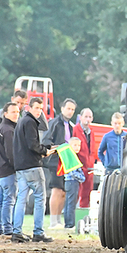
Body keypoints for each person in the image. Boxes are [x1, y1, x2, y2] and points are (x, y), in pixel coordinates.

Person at [12, 97, 55, 243]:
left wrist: (45, 149)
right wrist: (45, 151)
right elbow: (33, 145)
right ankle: (38, 232)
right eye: (36, 108)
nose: (39, 111)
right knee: (40, 199)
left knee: (21, 199)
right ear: (29, 108)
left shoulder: (21, 121)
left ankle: (16, 232)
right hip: (32, 166)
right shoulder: (30, 122)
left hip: (20, 166)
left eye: (41, 109)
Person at [42, 98, 77, 229]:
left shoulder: (72, 126)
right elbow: (46, 140)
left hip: (67, 161)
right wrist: (58, 149)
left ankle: (58, 220)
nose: (70, 111)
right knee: (56, 190)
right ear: (62, 109)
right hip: (55, 162)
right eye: (68, 108)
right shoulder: (55, 123)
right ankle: (53, 221)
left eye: (72, 109)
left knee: (63, 191)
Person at [0, 102, 20, 239]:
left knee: (0, 199)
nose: (17, 114)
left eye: (17, 111)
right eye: (13, 112)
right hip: (8, 170)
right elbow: (11, 153)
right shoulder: (9, 130)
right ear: (5, 114)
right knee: (9, 200)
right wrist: (17, 167)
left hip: (0, 170)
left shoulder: (0, 128)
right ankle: (7, 228)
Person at [72, 107, 96, 209]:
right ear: (80, 117)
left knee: (88, 191)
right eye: (86, 116)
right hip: (78, 165)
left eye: (90, 117)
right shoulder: (75, 130)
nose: (88, 119)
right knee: (75, 192)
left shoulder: (91, 132)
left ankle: (84, 210)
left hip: (89, 166)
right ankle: (72, 214)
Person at [62, 137, 86, 230]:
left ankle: (68, 223)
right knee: (71, 203)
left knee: (69, 202)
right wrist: (82, 178)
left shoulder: (71, 156)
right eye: (75, 145)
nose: (77, 147)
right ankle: (70, 224)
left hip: (70, 182)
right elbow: (72, 171)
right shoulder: (71, 157)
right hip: (72, 181)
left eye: (79, 145)